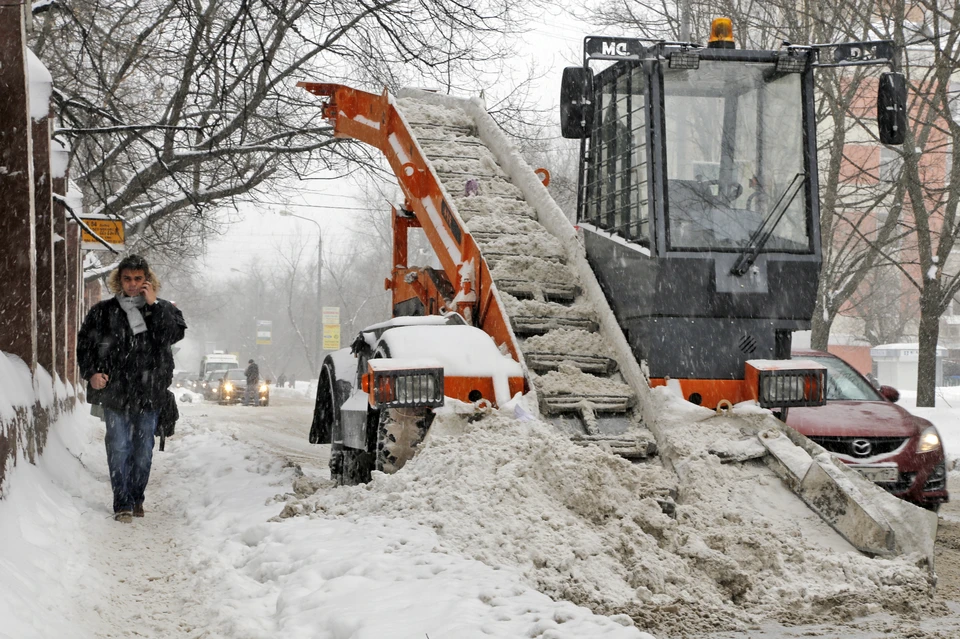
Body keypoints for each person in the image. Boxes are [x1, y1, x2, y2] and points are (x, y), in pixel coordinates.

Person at [77, 254, 187, 523]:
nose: (132, 284)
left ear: (148, 280)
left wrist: (154, 306)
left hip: (150, 394)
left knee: (142, 453)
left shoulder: (164, 309)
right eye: (127, 278)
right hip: (116, 394)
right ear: (119, 280)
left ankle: (137, 496)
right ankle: (122, 502)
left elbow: (172, 335)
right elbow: (85, 346)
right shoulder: (102, 312)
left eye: (138, 279)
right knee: (118, 448)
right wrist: (91, 374)